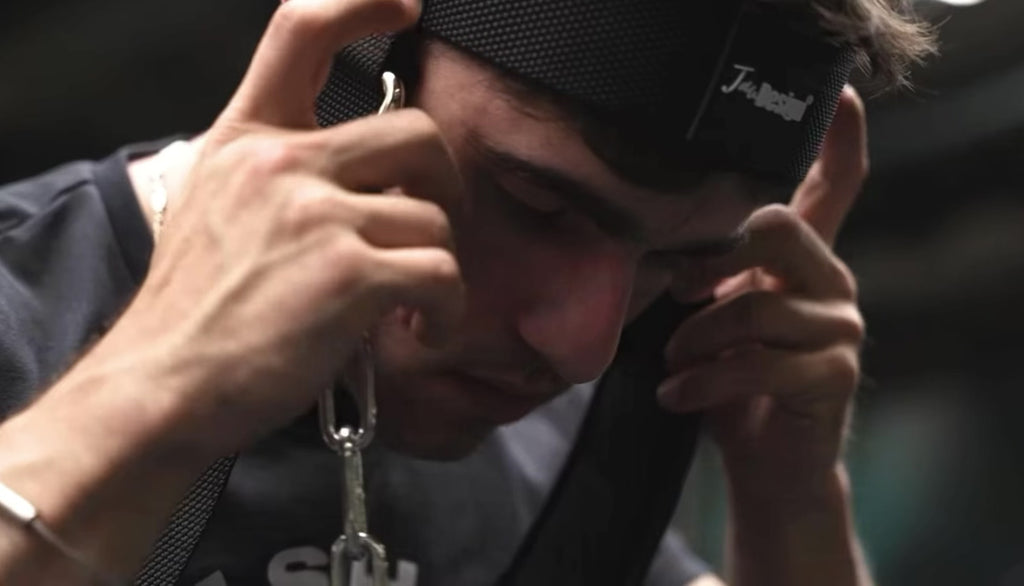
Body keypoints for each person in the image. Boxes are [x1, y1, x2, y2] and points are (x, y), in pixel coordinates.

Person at [0, 0, 934, 584]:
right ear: (352, 57)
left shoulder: (563, 453)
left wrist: (792, 503)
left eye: (675, 260)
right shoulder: (22, 295)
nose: (583, 349)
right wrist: (156, 391)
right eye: (535, 206)